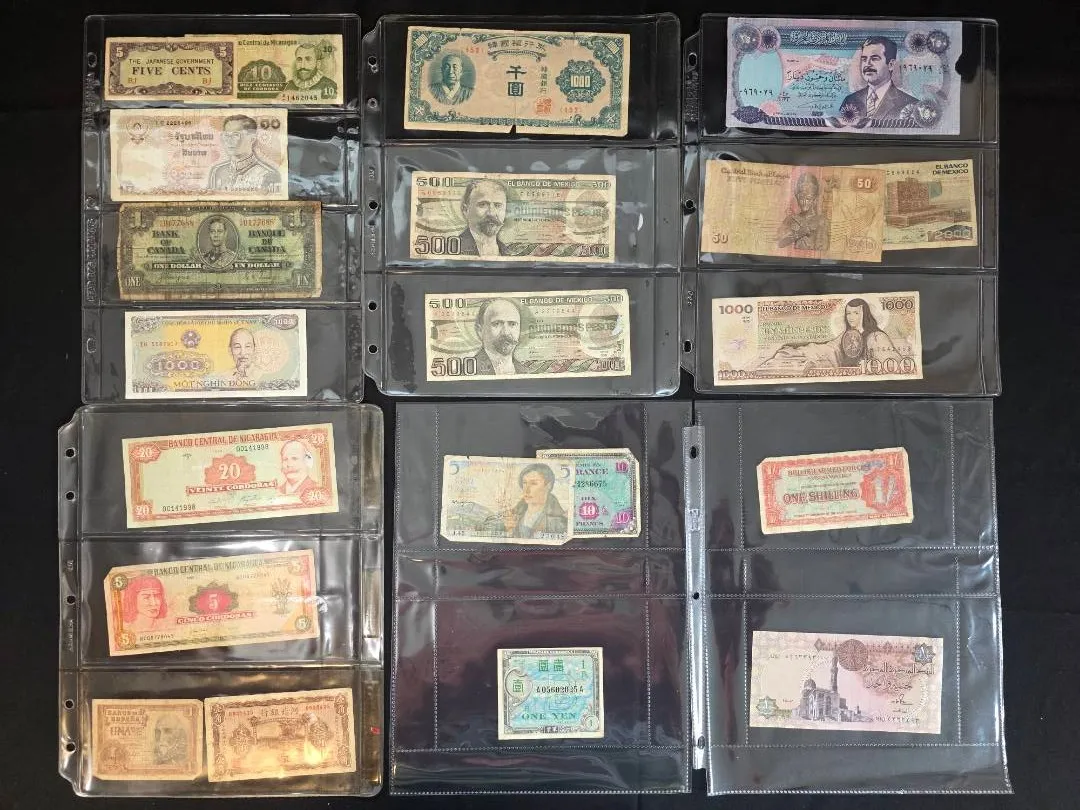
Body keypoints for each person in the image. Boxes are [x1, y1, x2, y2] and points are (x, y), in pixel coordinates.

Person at [759, 298, 902, 371]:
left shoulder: (877, 337)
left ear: (865, 314)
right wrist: (798, 351)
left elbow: (891, 364)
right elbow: (829, 349)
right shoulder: (846, 335)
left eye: (856, 313)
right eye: (848, 313)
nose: (851, 317)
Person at [840, 37, 919, 121]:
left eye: (874, 58)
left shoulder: (911, 105)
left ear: (891, 65)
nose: (867, 64)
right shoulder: (850, 101)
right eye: (864, 59)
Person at [489, 463, 568, 539]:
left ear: (548, 486)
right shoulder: (511, 515)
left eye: (533, 483)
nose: (526, 490)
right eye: (524, 483)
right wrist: (505, 529)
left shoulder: (561, 522)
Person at [207, 114, 281, 194]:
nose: (229, 141)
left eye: (236, 135)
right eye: (226, 135)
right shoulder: (217, 171)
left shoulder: (268, 174)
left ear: (252, 139)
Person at [472, 298, 526, 375]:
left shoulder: (527, 372)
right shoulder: (468, 370)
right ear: (480, 331)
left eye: (512, 324)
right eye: (497, 324)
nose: (506, 332)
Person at [457, 179, 509, 257]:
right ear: (465, 210)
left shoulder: (509, 253)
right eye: (483, 204)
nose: (491, 213)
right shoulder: (452, 249)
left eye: (498, 205)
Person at [777, 172, 827, 252]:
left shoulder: (821, 221)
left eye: (808, 199)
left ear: (814, 200)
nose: (804, 202)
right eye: (801, 198)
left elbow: (823, 248)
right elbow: (780, 243)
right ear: (797, 198)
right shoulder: (791, 219)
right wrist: (799, 234)